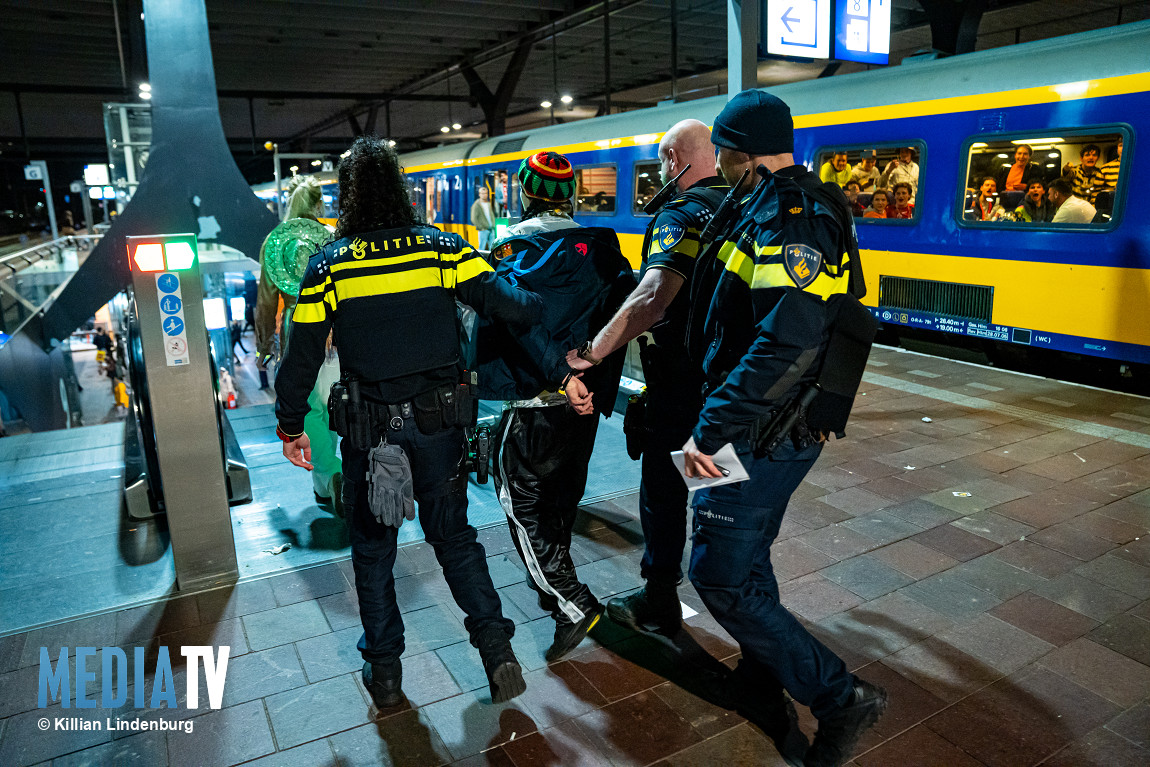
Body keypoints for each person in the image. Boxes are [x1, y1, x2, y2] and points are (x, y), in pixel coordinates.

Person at [275, 136, 542, 709]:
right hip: (440, 428)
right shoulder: (443, 249)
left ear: (347, 197)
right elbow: (513, 307)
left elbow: (300, 356)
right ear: (398, 187)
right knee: (455, 539)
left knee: (374, 551)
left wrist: (290, 424)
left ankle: (387, 674)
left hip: (373, 438)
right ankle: (497, 652)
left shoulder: (329, 266)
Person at [682, 89, 887, 767]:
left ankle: (839, 697)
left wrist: (711, 427)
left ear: (740, 151)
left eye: (721, 151)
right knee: (748, 548)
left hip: (758, 429)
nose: (718, 162)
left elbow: (785, 341)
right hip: (763, 422)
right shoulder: (775, 203)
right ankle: (763, 668)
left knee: (716, 573)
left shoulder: (789, 216)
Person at [566, 119, 728, 636]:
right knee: (713, 481)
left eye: (662, 161)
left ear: (678, 158)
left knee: (664, 488)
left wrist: (591, 353)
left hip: (679, 382)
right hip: (725, 381)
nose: (661, 171)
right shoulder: (743, 208)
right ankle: (732, 591)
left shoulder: (680, 215)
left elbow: (652, 298)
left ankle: (659, 595)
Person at [479, 151, 636, 661]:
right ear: (570, 197)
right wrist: (590, 378)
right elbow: (626, 310)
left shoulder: (507, 250)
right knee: (560, 502)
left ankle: (573, 604)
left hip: (533, 401)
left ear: (526, 193)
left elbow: (518, 325)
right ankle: (563, 603)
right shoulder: (606, 248)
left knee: (521, 504)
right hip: (583, 404)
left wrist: (559, 373)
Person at [257, 175, 344, 509]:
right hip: (333, 330)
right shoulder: (332, 237)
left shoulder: (275, 243)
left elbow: (266, 301)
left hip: (297, 330)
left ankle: (329, 476)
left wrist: (265, 343)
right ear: (319, 205)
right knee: (334, 402)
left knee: (309, 411)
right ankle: (336, 479)